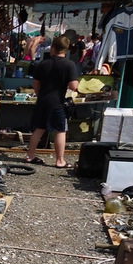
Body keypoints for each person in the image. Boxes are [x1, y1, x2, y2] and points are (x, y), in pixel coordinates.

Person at [25, 36, 79, 169]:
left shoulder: (43, 63)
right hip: (58, 102)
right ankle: (60, 160)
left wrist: (40, 95)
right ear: (66, 51)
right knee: (61, 130)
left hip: (43, 100)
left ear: (53, 48)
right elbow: (73, 86)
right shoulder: (69, 64)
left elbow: (36, 84)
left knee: (39, 128)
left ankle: (30, 156)